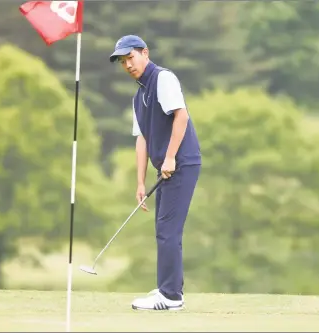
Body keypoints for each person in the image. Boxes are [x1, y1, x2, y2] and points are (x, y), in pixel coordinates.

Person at [109, 35, 202, 311]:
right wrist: (140, 181)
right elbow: (142, 139)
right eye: (123, 61)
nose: (127, 64)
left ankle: (171, 297)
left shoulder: (163, 79)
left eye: (131, 58)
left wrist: (171, 156)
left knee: (168, 230)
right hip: (166, 169)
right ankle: (169, 287)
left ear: (144, 53)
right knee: (164, 228)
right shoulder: (139, 96)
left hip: (182, 163)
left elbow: (181, 115)